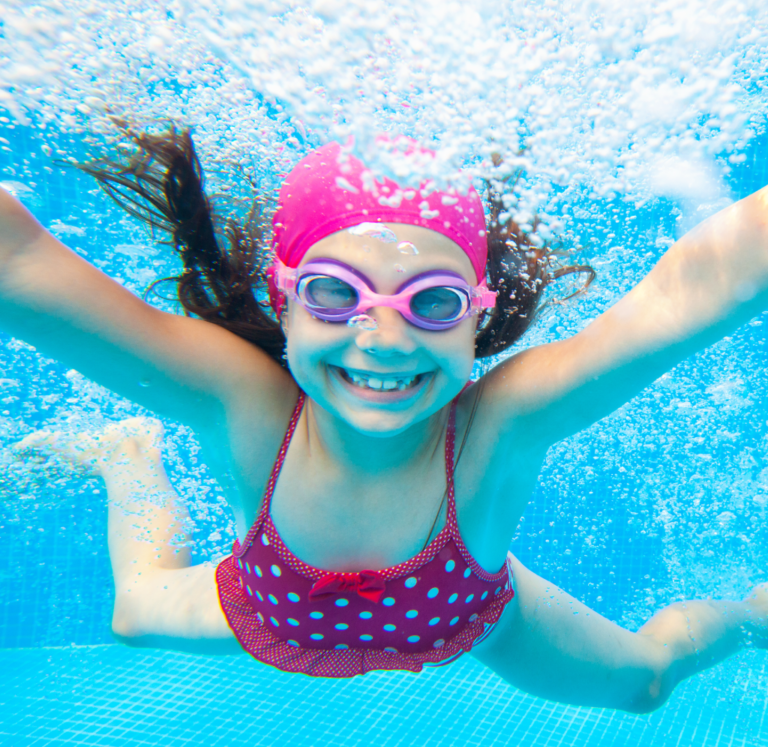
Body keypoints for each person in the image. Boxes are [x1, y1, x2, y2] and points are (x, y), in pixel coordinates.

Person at [1, 129, 766, 712]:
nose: (387, 341)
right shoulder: (243, 402)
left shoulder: (497, 428)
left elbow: (680, 300)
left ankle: (749, 616)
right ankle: (127, 453)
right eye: (337, 294)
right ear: (284, 298)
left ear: (476, 318)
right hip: (267, 607)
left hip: (471, 612)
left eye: (433, 302)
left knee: (647, 684)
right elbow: (24, 267)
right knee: (133, 610)